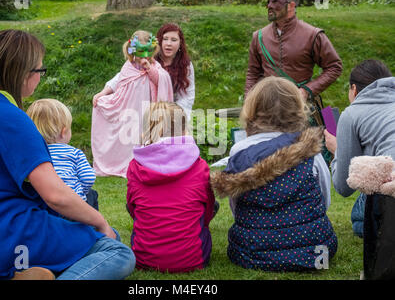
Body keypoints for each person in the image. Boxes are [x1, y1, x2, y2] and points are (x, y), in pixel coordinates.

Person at [0, 29, 135, 280]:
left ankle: (22, 273)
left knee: (93, 237)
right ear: (23, 74)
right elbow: (55, 195)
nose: (40, 77)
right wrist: (100, 221)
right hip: (5, 234)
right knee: (117, 250)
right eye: (40, 70)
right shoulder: (10, 117)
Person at [211, 76, 337, 272]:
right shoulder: (310, 149)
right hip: (315, 252)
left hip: (251, 252)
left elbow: (237, 205)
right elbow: (323, 198)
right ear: (298, 109)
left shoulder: (240, 150)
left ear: (252, 111)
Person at [126, 102, 216, 273]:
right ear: (183, 130)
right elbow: (208, 210)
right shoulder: (200, 166)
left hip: (144, 259)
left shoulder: (134, 166)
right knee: (209, 206)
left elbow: (132, 207)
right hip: (193, 259)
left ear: (147, 129)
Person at [245, 0, 342, 130]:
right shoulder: (258, 37)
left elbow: (334, 66)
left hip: (301, 110)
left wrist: (306, 90)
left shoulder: (313, 35)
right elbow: (253, 72)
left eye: (275, 1)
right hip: (267, 111)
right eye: (269, 1)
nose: (269, 6)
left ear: (291, 5)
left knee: (306, 150)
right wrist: (249, 103)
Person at [324, 59, 393, 238]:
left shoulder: (352, 113)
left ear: (353, 90)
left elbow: (343, 187)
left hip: (390, 192)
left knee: (358, 216)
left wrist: (337, 149)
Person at [91, 30, 173, 178]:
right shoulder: (128, 67)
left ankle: (143, 160)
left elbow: (161, 81)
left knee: (143, 134)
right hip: (128, 108)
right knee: (129, 135)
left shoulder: (155, 66)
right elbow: (118, 82)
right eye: (140, 52)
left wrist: (149, 68)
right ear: (132, 51)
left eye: (148, 52)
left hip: (147, 108)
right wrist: (103, 94)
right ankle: (125, 161)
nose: (144, 56)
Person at [97, 23, 195, 120]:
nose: (169, 43)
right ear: (159, 41)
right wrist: (104, 91)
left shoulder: (185, 65)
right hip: (138, 106)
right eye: (165, 39)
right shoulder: (148, 56)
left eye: (174, 40)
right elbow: (126, 76)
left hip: (164, 108)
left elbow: (187, 96)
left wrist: (177, 115)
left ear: (180, 43)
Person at [26, 98, 99, 211]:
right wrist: (80, 192)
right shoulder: (74, 153)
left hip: (44, 206)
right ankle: (92, 227)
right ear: (64, 131)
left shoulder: (32, 154)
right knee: (92, 194)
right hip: (74, 206)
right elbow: (88, 177)